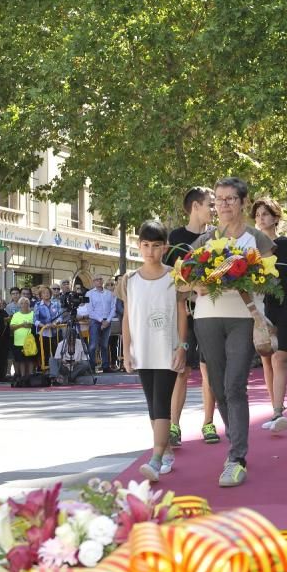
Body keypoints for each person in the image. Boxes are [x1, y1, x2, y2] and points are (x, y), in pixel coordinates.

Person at [193, 177, 275, 487]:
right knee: (217, 384)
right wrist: (198, 283)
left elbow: (270, 279)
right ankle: (235, 443)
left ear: (242, 201)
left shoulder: (256, 239)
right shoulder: (204, 240)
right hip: (207, 319)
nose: (224, 205)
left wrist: (244, 276)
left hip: (243, 319)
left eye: (230, 199)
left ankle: (237, 456)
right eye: (219, 199)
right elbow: (184, 278)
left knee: (234, 384)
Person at [118, 220, 188, 483]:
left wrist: (182, 346)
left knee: (161, 402)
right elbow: (127, 317)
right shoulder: (130, 279)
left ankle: (156, 458)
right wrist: (126, 351)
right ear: (139, 246)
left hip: (167, 349)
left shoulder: (174, 277)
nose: (150, 251)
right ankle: (166, 450)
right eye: (145, 245)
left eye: (156, 246)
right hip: (142, 350)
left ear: (164, 247)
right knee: (152, 403)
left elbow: (183, 314)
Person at [164, 186, 220, 446]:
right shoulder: (176, 236)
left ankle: (208, 424)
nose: (214, 208)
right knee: (181, 369)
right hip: (182, 313)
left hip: (211, 312)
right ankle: (174, 426)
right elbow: (170, 277)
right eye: (210, 203)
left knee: (209, 369)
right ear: (195, 206)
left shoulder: (216, 236)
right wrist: (189, 290)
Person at [252, 197, 287, 434]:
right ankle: (274, 410)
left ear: (276, 217)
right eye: (258, 214)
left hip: (286, 304)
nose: (261, 218)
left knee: (281, 357)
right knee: (267, 360)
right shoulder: (251, 247)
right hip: (261, 307)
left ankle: (279, 411)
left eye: (265, 214)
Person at [85, 275, 117, 373]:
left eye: (100, 279)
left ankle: (106, 366)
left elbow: (113, 308)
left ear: (102, 281)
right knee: (93, 345)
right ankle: (91, 366)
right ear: (93, 282)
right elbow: (90, 311)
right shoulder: (89, 294)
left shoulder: (109, 293)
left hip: (107, 320)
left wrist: (107, 320)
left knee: (104, 344)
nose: (99, 281)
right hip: (95, 321)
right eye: (96, 280)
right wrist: (101, 321)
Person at [34, 286, 62, 369]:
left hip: (55, 332)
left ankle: (56, 370)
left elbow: (60, 317)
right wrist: (44, 326)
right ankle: (45, 371)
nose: (46, 294)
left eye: (48, 292)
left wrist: (55, 323)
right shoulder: (38, 305)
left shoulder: (56, 304)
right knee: (45, 352)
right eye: (44, 293)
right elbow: (35, 320)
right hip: (43, 333)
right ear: (40, 295)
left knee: (56, 351)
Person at [10, 297, 36, 379]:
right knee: (21, 360)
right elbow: (11, 327)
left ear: (29, 304)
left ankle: (31, 376)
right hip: (19, 342)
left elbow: (36, 324)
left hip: (30, 342)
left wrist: (30, 325)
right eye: (22, 303)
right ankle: (22, 377)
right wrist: (22, 325)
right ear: (19, 305)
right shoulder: (16, 315)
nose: (24, 305)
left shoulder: (33, 314)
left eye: (26, 303)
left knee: (31, 360)